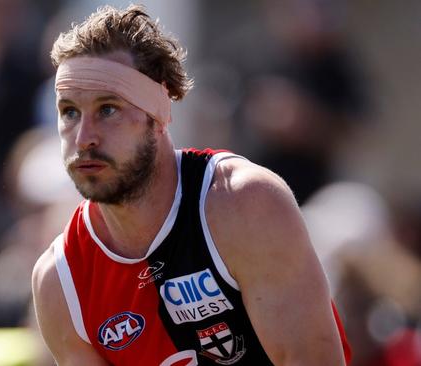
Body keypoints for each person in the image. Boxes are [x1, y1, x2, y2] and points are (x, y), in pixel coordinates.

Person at [31, 5, 351, 365]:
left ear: (158, 116)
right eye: (69, 112)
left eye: (108, 109)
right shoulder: (60, 283)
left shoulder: (244, 204)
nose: (84, 137)